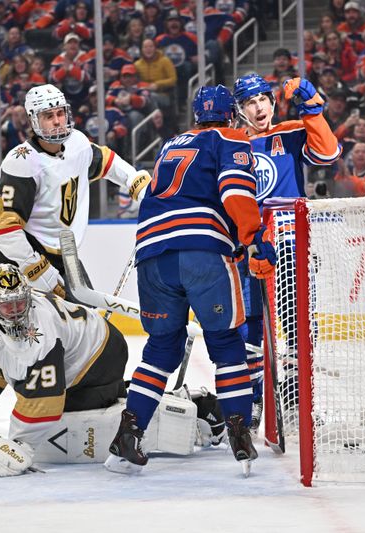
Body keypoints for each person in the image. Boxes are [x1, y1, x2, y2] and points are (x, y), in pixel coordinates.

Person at [0, 84, 151, 450]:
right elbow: (4, 228)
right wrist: (38, 272)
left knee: (84, 329)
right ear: (33, 120)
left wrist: (135, 181)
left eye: (60, 113)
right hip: (18, 260)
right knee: (15, 339)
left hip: (61, 256)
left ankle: (73, 396)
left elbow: (106, 160)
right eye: (48, 116)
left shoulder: (76, 144)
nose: (57, 121)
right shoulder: (22, 161)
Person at [105, 85, 274, 476]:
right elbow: (235, 192)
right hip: (202, 250)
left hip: (151, 253)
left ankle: (129, 433)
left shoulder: (170, 144)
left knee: (161, 349)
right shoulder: (231, 137)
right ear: (230, 115)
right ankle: (239, 431)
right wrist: (254, 239)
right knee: (226, 344)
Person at [0, 264, 227, 476]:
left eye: (20, 302)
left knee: (83, 415)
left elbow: (46, 405)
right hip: (81, 342)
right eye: (7, 305)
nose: (17, 312)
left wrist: (17, 447)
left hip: (100, 354)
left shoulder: (40, 337)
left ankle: (192, 405)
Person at [232, 73, 341, 431]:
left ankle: (296, 402)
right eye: (250, 102)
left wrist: (313, 109)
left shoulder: (292, 131)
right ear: (241, 109)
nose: (258, 107)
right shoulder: (231, 144)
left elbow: (328, 153)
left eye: (263, 99)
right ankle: (252, 401)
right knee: (250, 328)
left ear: (272, 101)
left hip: (292, 244)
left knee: (298, 327)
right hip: (250, 248)